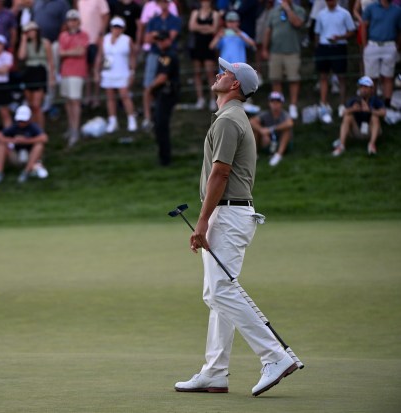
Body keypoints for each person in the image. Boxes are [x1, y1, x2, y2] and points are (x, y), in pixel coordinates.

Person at [175, 57, 298, 397]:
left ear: (235, 85)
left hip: (228, 216)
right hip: (230, 214)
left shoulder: (229, 120)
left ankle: (275, 356)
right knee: (217, 294)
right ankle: (215, 372)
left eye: (225, 71)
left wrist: (201, 221)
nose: (219, 73)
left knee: (220, 291)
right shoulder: (230, 117)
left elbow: (221, 173)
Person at [261, 0, 306, 120]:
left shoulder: (299, 10)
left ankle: (293, 106)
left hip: (292, 51)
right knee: (276, 79)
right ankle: (278, 106)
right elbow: (268, 31)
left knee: (293, 79)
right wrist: (265, 48)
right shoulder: (273, 12)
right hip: (275, 51)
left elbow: (297, 23)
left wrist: (287, 9)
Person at [313, 0, 355, 123]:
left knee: (341, 77)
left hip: (339, 47)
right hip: (324, 47)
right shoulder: (321, 14)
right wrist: (317, 48)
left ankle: (342, 104)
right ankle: (324, 104)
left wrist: (340, 37)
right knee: (323, 76)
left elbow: (351, 31)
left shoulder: (344, 13)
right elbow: (317, 33)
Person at [94, 16, 137, 133]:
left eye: (119, 27)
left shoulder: (127, 40)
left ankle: (131, 119)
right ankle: (113, 121)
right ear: (111, 28)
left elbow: (133, 56)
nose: (116, 30)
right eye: (114, 27)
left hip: (123, 72)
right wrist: (96, 71)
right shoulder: (105, 39)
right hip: (108, 72)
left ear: (122, 29)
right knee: (110, 97)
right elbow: (100, 56)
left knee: (125, 96)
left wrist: (132, 72)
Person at [142, 0, 181, 128]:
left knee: (165, 84)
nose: (162, 4)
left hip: (168, 54)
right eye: (160, 2)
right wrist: (158, 36)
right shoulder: (153, 20)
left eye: (165, 2)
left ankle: (165, 114)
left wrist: (155, 34)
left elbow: (170, 37)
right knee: (148, 87)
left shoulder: (174, 19)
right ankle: (148, 117)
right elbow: (147, 39)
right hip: (154, 54)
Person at [145, 30, 179, 166]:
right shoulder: (163, 55)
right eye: (158, 40)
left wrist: (150, 87)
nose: (160, 43)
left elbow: (162, 77)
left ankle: (165, 159)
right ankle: (163, 157)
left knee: (161, 126)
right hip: (164, 93)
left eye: (162, 40)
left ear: (168, 41)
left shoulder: (168, 55)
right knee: (159, 126)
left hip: (167, 93)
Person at [0, 104, 49, 184]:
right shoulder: (14, 126)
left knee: (39, 145)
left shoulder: (33, 127)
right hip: (16, 155)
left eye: (23, 121)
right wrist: (13, 140)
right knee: (1, 145)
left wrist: (26, 140)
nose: (21, 123)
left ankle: (26, 172)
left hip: (31, 156)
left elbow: (44, 138)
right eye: (20, 121)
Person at [361, 0, 401, 109]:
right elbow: (364, 25)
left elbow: (399, 30)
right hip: (373, 44)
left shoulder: (397, 10)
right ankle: (370, 105)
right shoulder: (371, 8)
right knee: (371, 78)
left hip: (389, 45)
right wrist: (365, 45)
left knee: (388, 77)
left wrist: (397, 46)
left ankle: (386, 106)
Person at [332, 76, 386, 156]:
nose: (363, 89)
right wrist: (353, 109)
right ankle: (341, 145)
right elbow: (342, 113)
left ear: (371, 89)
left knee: (375, 117)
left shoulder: (375, 100)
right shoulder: (354, 100)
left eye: (366, 87)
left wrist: (370, 110)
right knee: (347, 117)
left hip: (370, 130)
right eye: (361, 87)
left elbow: (383, 113)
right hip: (356, 130)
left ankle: (371, 144)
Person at [58, 9, 89, 147]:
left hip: (77, 71)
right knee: (68, 100)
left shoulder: (84, 35)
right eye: (70, 20)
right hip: (65, 71)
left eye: (74, 20)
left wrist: (68, 52)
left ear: (78, 21)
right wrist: (72, 51)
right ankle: (71, 127)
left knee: (75, 101)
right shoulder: (63, 35)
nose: (72, 23)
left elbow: (81, 51)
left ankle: (75, 129)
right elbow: (61, 53)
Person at [17, 21, 55, 129]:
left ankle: (40, 129)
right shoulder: (26, 44)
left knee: (37, 105)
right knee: (30, 105)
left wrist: (51, 77)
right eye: (28, 31)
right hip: (29, 72)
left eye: (32, 30)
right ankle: (32, 129)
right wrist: (23, 40)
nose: (30, 33)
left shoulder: (45, 43)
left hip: (40, 71)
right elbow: (21, 56)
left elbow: (50, 61)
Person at [76, 0, 110, 109]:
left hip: (95, 39)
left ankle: (96, 97)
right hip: (83, 41)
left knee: (96, 70)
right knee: (86, 71)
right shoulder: (80, 1)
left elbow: (105, 16)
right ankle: (87, 97)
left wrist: (101, 34)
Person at [188, 0, 220, 111]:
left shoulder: (214, 14)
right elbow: (192, 27)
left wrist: (200, 27)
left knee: (210, 73)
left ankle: (212, 99)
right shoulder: (195, 12)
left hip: (209, 46)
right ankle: (200, 98)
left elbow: (214, 29)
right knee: (197, 72)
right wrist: (206, 27)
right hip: (197, 45)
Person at [250, 91, 294, 166]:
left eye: (277, 102)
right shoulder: (265, 114)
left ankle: (278, 155)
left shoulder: (284, 114)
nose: (275, 104)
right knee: (254, 130)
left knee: (287, 131)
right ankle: (254, 154)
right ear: (269, 103)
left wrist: (271, 130)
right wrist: (262, 131)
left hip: (282, 143)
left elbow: (290, 123)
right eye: (272, 101)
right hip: (267, 142)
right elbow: (251, 121)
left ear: (281, 103)